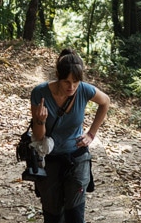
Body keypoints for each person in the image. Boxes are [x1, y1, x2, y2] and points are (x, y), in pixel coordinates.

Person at [29, 48, 110, 223]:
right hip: (49, 159)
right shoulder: (39, 93)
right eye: (66, 82)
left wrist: (91, 133)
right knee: (53, 214)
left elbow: (105, 102)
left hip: (77, 157)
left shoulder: (84, 90)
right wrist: (40, 121)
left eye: (76, 82)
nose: (71, 87)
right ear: (58, 76)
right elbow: (38, 136)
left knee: (75, 214)